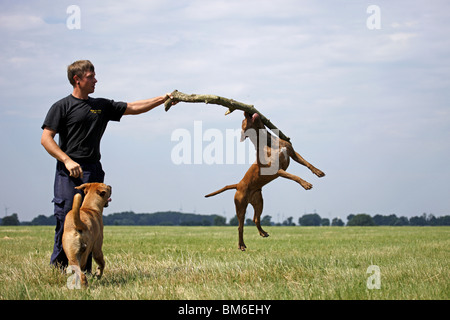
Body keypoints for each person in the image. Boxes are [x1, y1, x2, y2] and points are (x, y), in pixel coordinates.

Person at [41, 60, 176, 270]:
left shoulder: (101, 106)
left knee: (91, 223)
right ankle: (60, 268)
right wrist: (67, 160)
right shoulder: (61, 107)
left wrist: (163, 99)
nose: (96, 80)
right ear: (77, 80)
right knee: (67, 217)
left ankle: (81, 271)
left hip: (93, 171)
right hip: (68, 172)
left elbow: (132, 107)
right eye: (90, 77)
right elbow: (46, 139)